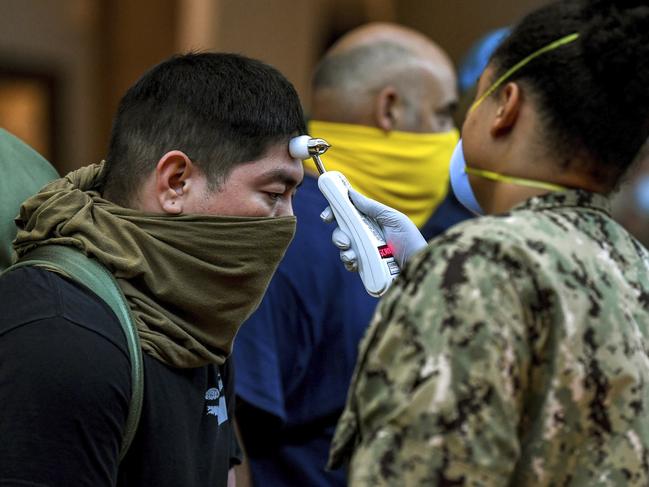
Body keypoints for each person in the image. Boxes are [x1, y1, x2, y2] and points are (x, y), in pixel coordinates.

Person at [327, 0, 649, 484]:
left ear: (507, 107)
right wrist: (426, 278)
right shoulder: (636, 265)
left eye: (472, 102)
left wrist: (447, 280)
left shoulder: (478, 265)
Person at [0, 52, 306, 487]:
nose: (287, 220)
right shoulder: (58, 332)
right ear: (176, 182)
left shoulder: (197, 306)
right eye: (274, 193)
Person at [233, 22, 460, 486]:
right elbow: (230, 430)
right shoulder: (287, 236)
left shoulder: (407, 232)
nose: (452, 136)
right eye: (444, 115)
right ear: (390, 109)